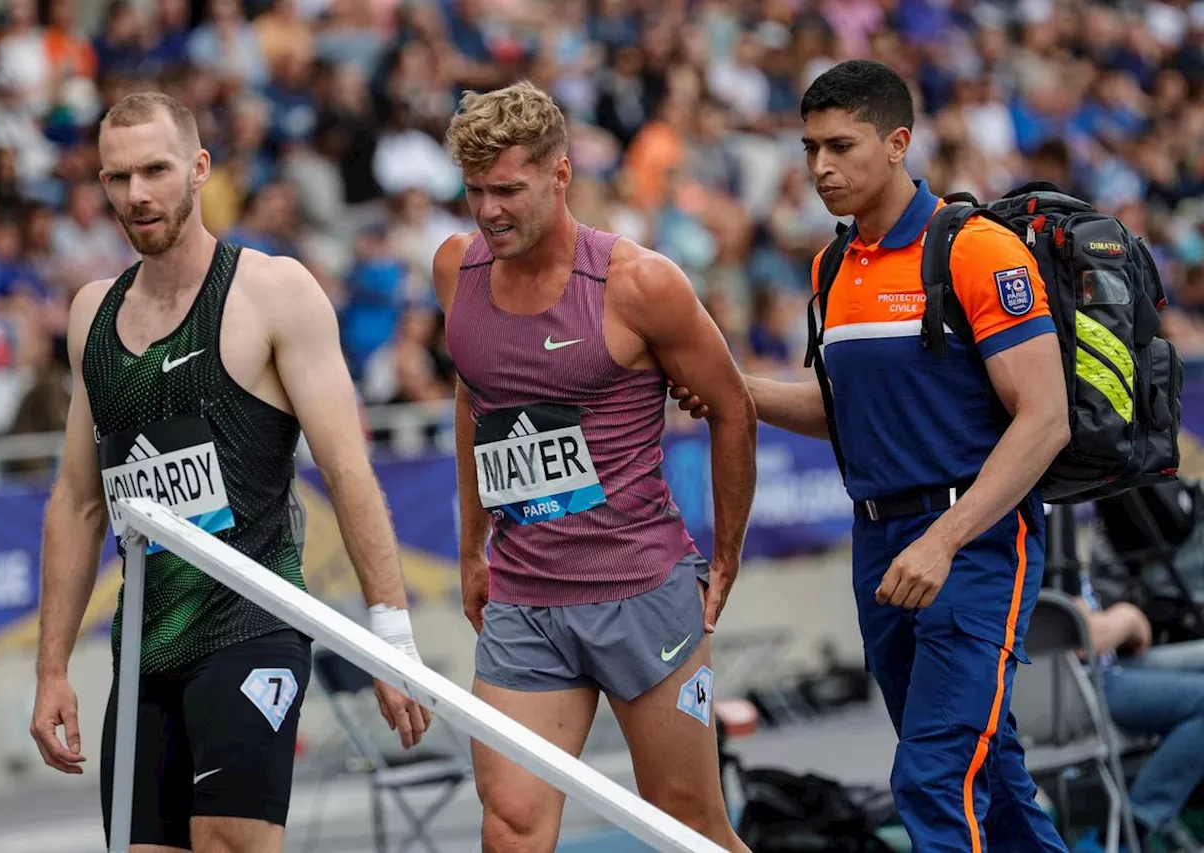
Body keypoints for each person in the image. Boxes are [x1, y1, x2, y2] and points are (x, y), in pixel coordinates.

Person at [672, 59, 1073, 852]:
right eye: (809, 147)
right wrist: (731, 387)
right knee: (984, 777)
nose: (820, 168)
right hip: (882, 546)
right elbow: (841, 410)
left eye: (841, 146)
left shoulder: (976, 251)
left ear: (897, 144)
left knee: (930, 776)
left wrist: (944, 539)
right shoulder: (830, 266)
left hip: (974, 542)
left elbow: (1046, 418)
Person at [28, 91, 432, 853]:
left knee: (228, 843)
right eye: (117, 178)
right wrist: (52, 669)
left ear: (199, 171)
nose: (136, 194)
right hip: (145, 648)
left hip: (251, 630)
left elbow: (348, 471)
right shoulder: (91, 313)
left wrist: (392, 639)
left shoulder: (271, 292)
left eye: (155, 170)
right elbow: (79, 502)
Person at [431, 80, 757, 853]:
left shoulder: (639, 283)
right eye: (475, 191)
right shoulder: (455, 268)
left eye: (508, 189)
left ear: (560, 174)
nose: (489, 211)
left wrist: (728, 554)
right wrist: (472, 545)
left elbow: (733, 407)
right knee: (510, 827)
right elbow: (473, 402)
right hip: (525, 601)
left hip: (641, 592)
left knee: (689, 827)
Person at [1075, 571, 1204, 849]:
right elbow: (1087, 639)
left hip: (1112, 666)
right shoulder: (1047, 543)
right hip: (1084, 684)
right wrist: (1128, 617)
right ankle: (1133, 824)